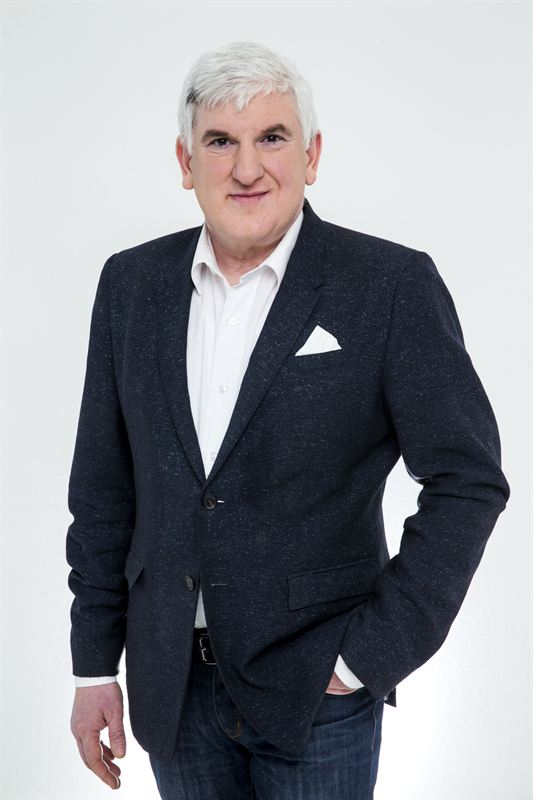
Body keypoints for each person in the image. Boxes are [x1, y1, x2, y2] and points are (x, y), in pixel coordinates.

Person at [67, 41, 510, 799]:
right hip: (171, 687)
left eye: (271, 137)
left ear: (312, 154)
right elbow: (104, 492)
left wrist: (368, 656)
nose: (247, 168)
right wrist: (92, 667)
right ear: (185, 161)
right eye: (220, 142)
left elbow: (468, 481)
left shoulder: (389, 284)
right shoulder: (131, 286)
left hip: (318, 690)